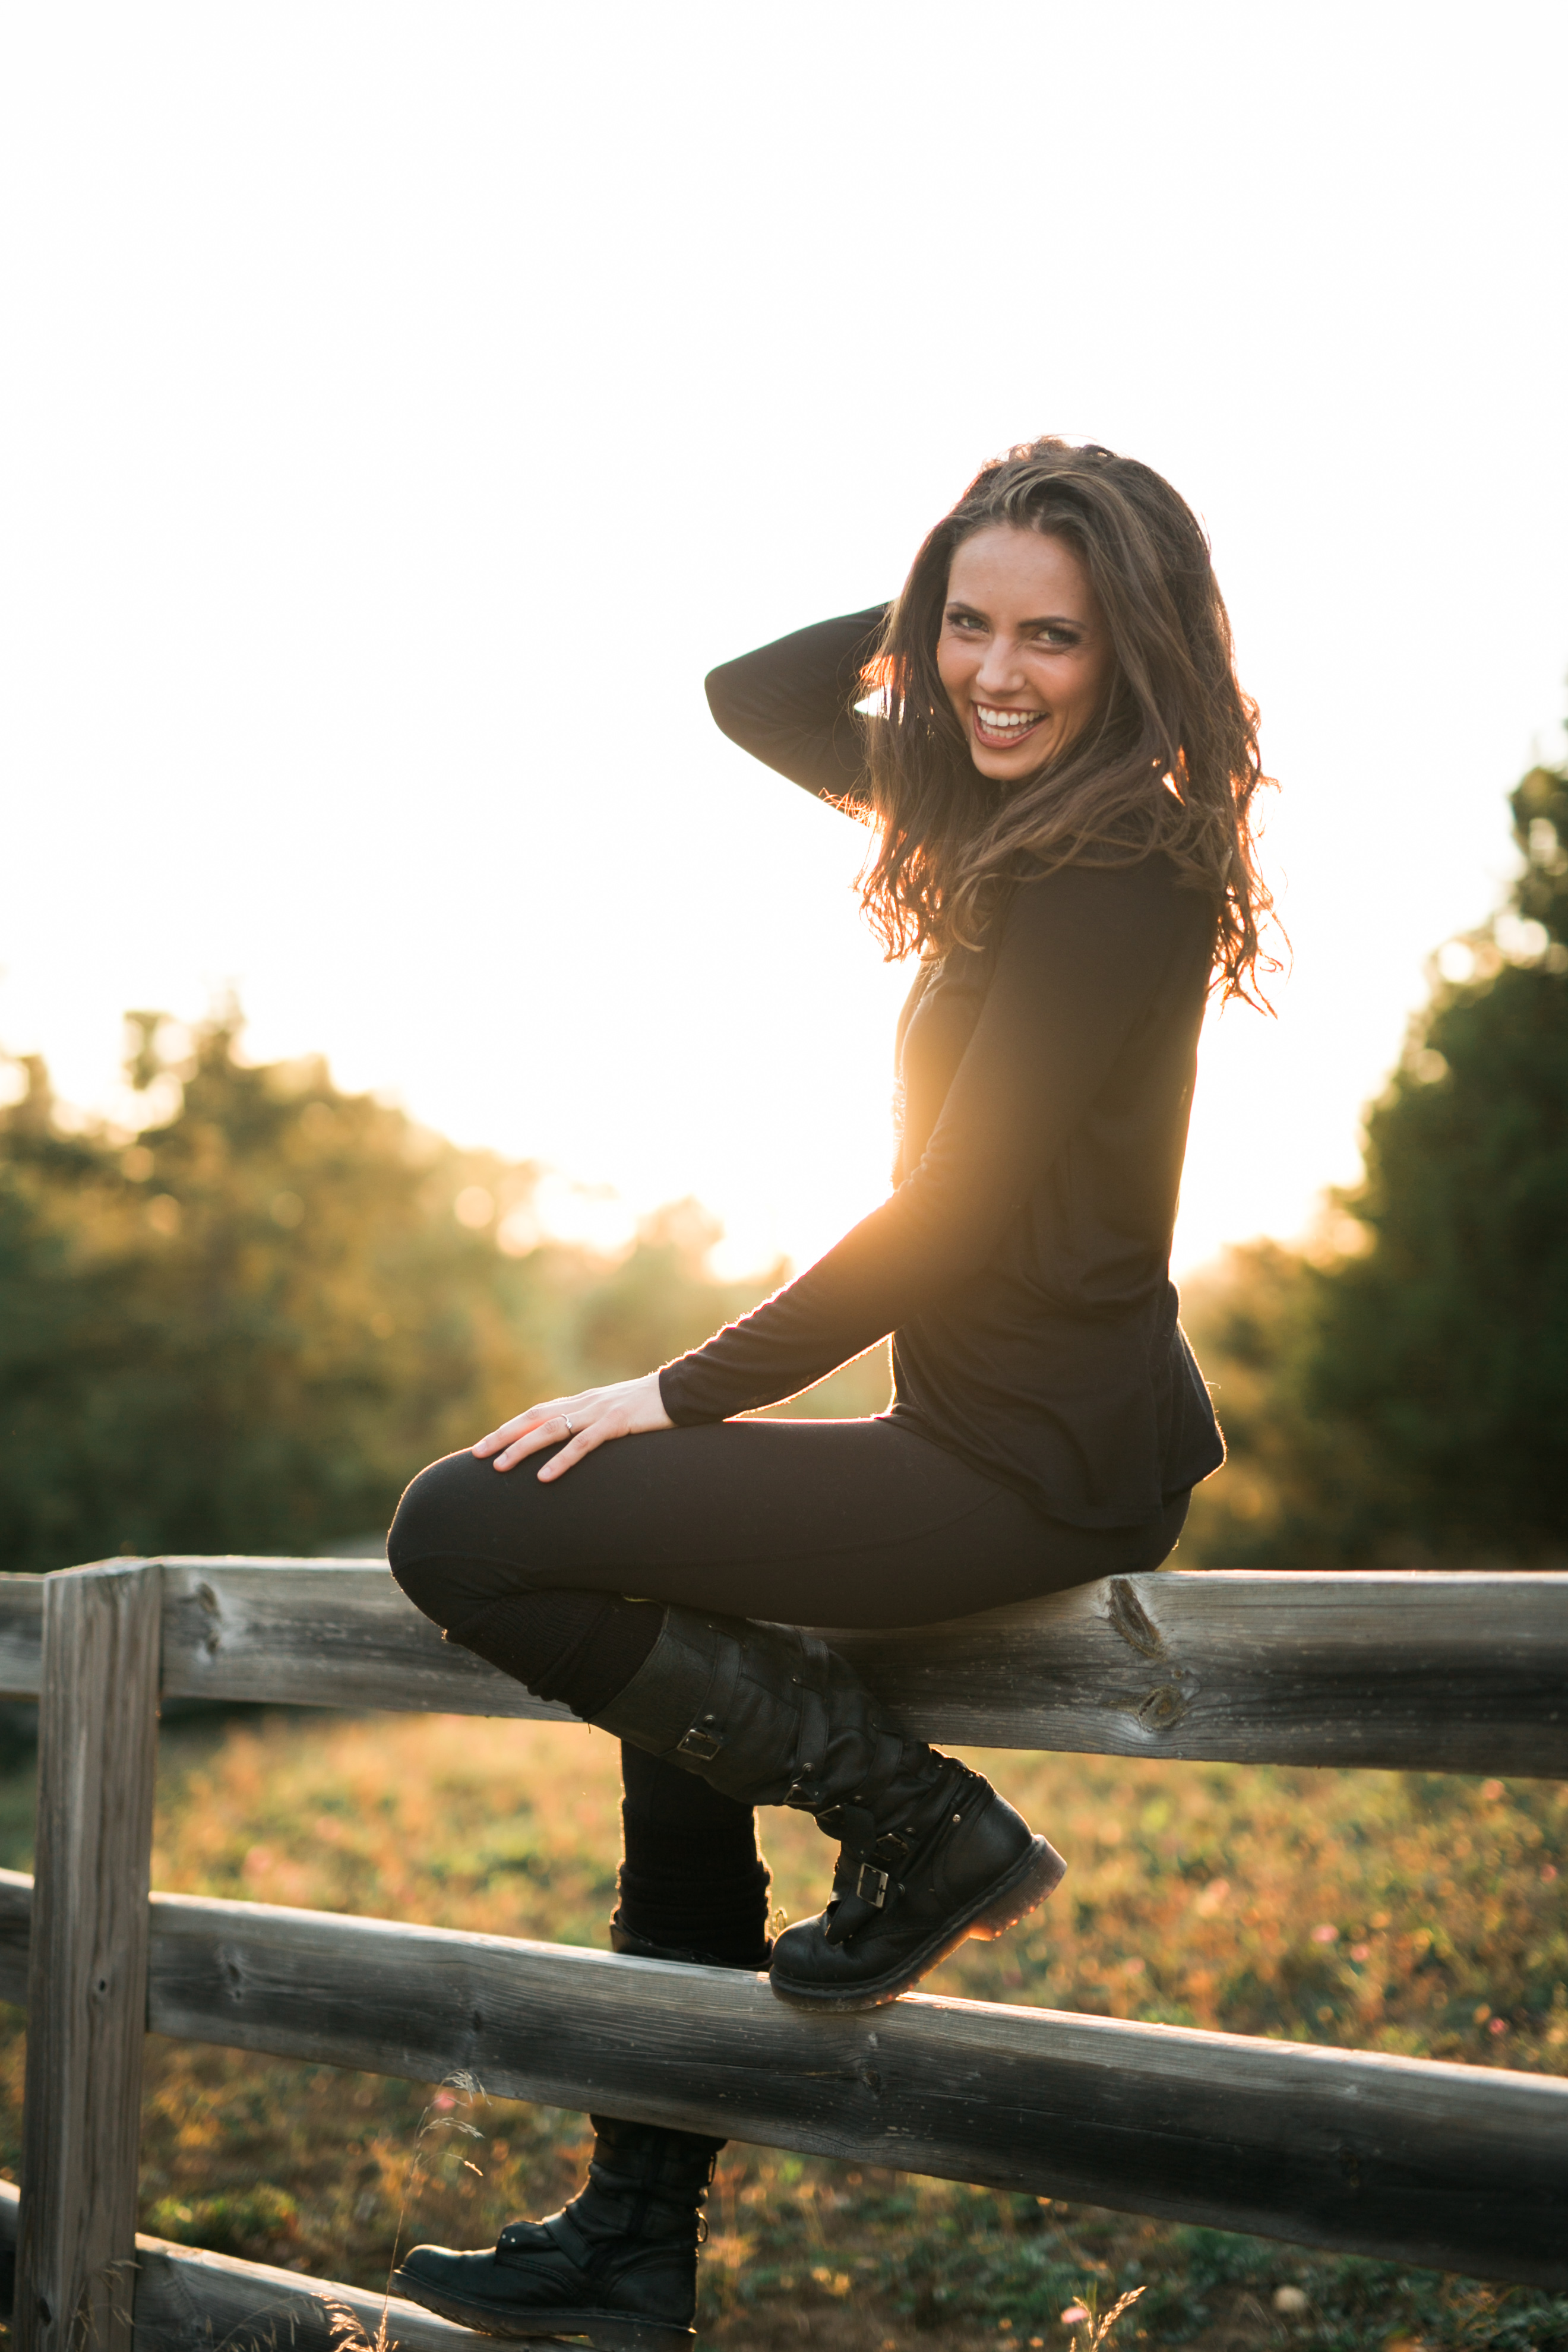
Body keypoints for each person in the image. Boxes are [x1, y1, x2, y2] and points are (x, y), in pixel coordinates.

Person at [384, 435, 1273, 2347]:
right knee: (676, 1697)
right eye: (969, 628)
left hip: (1045, 1461)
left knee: (463, 1524)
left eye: (1054, 637)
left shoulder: (1124, 857)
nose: (997, 675)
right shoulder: (987, 806)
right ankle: (632, 2243)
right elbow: (759, 696)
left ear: (1135, 649)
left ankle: (919, 1824)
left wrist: (681, 1394)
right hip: (969, 1433)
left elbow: (952, 1214)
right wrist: (944, 589)